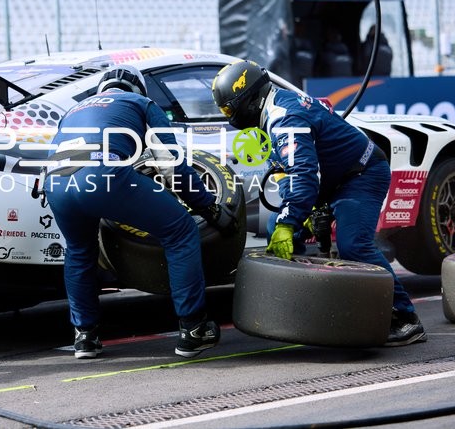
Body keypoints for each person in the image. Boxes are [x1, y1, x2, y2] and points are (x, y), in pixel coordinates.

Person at [211, 60, 426, 347]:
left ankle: (405, 318)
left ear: (248, 98)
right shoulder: (273, 110)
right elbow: (287, 171)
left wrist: (291, 221)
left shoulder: (285, 116)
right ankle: (296, 310)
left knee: (354, 245)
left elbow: (302, 175)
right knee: (279, 227)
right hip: (330, 180)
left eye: (229, 109)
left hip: (361, 175)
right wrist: (300, 214)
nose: (229, 116)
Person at [45, 65, 237, 359]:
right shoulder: (141, 103)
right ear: (138, 88)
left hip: (56, 182)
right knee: (181, 230)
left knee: (79, 250)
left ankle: (85, 337)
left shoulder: (73, 110)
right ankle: (195, 329)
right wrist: (208, 207)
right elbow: (172, 164)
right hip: (102, 174)